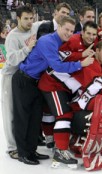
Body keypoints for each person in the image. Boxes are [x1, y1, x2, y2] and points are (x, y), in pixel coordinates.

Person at [11, 16, 93, 166]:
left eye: (71, 31)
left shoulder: (59, 41)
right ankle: (23, 153)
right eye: (66, 29)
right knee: (23, 118)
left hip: (35, 81)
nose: (69, 33)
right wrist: (81, 63)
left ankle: (31, 150)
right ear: (59, 27)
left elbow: (65, 55)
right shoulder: (48, 41)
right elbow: (57, 66)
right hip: (24, 80)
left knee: (35, 118)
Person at [0, 5, 45, 160]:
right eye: (25, 18)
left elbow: (54, 21)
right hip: (11, 75)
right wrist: (27, 48)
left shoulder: (35, 28)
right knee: (10, 112)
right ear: (18, 18)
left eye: (31, 18)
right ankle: (13, 147)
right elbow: (11, 59)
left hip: (26, 77)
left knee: (25, 114)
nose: (29, 22)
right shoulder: (13, 36)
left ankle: (27, 145)